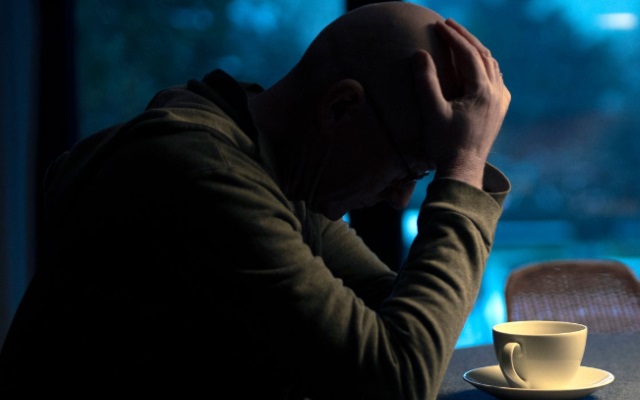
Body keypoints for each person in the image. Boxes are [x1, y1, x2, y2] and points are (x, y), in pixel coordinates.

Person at [0, 2, 510, 399]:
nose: (400, 201)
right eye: (409, 169)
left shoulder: (277, 174)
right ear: (340, 109)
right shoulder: (202, 174)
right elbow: (397, 377)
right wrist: (463, 168)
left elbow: (404, 319)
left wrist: (458, 166)